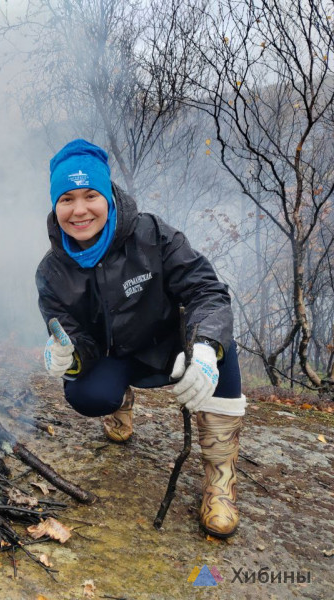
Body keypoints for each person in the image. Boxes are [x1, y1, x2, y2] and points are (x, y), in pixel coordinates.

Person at [36, 139, 246, 538]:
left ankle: (220, 481)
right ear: (55, 206)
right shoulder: (52, 272)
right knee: (86, 394)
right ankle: (120, 401)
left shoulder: (152, 234)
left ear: (108, 196)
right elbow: (72, 333)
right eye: (66, 199)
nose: (79, 210)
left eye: (90, 195)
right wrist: (68, 355)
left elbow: (208, 293)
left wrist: (202, 349)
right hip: (115, 354)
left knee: (222, 347)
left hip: (170, 347)